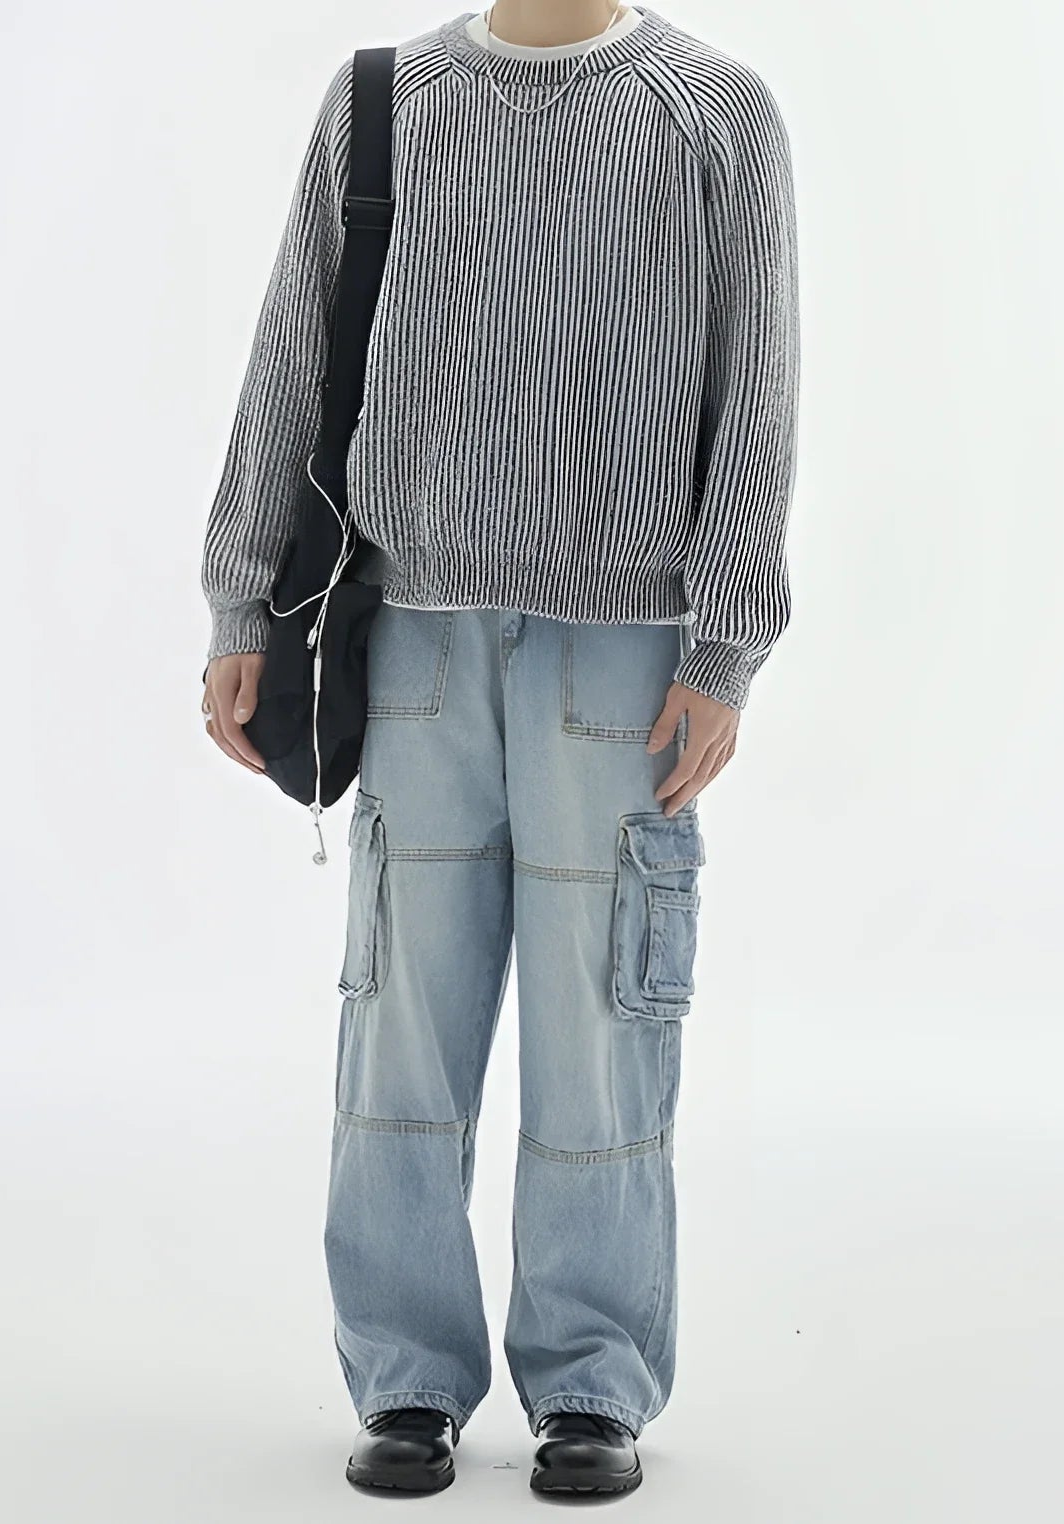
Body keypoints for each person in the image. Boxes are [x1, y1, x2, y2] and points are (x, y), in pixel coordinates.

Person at [200, 0, 798, 1499]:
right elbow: (293, 352)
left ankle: (591, 1383)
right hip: (414, 638)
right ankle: (406, 1377)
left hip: (629, 647)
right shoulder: (385, 100)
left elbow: (760, 393)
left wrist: (726, 646)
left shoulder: (719, 111)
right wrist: (240, 600)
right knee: (400, 1017)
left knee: (603, 1028)